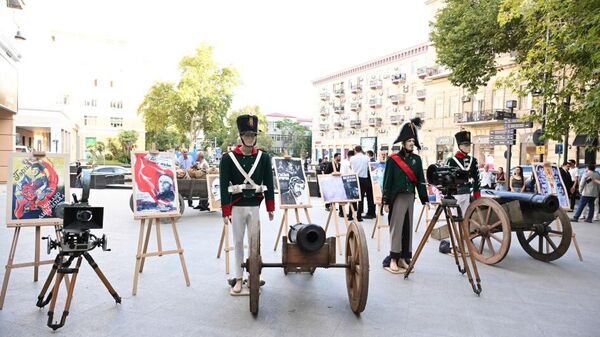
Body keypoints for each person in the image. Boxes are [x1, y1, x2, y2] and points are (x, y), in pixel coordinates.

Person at [219, 114, 275, 294]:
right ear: (241, 136)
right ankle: (238, 277)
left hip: (254, 206)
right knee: (237, 242)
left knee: (254, 243)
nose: (250, 138)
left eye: (252, 135)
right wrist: (225, 210)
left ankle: (253, 277)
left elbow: (268, 182)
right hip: (236, 206)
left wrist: (270, 207)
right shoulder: (228, 159)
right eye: (247, 135)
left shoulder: (263, 158)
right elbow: (223, 185)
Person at [382, 118, 428, 273]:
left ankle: (403, 258)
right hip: (397, 198)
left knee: (407, 229)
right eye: (408, 140)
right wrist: (386, 201)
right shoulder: (393, 159)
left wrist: (424, 199)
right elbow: (387, 181)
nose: (411, 143)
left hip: (410, 197)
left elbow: (421, 180)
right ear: (403, 142)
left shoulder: (417, 159)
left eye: (413, 140)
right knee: (397, 229)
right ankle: (393, 258)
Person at [446, 130, 481, 217]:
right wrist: (448, 193)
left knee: (465, 217)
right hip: (455, 193)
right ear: (460, 146)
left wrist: (476, 192)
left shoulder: (473, 160)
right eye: (466, 145)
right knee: (455, 218)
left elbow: (476, 177)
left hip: (467, 192)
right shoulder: (451, 161)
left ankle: (464, 231)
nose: (469, 147)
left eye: (469, 145)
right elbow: (447, 178)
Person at [350, 145, 375, 220]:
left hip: (354, 178)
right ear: (361, 150)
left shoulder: (352, 158)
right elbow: (369, 167)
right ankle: (359, 216)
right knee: (361, 198)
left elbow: (351, 167)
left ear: (355, 150)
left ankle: (351, 215)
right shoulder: (366, 158)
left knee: (353, 197)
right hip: (364, 179)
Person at [340, 150, 358, 221]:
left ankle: (351, 214)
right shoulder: (344, 162)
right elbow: (342, 171)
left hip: (353, 180)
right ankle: (342, 212)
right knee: (344, 197)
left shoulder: (353, 162)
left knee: (353, 198)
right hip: (346, 180)